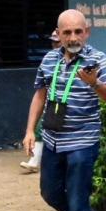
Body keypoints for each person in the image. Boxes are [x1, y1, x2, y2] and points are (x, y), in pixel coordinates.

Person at [22, 9, 106, 211]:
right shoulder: (50, 59)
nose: (73, 37)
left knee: (76, 201)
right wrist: (30, 130)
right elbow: (40, 94)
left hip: (82, 142)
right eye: (67, 32)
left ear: (86, 32)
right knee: (50, 192)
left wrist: (95, 83)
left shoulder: (97, 59)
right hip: (52, 139)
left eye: (78, 31)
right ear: (58, 34)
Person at [21, 29, 62, 172]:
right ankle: (34, 161)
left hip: (64, 106)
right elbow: (40, 91)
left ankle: (35, 161)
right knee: (40, 129)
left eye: (57, 41)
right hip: (50, 104)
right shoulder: (50, 59)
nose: (54, 44)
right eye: (53, 41)